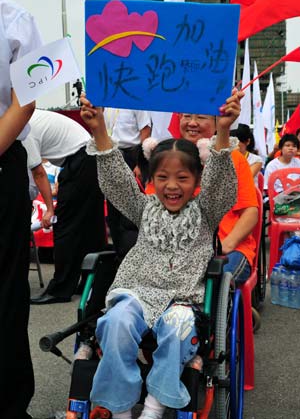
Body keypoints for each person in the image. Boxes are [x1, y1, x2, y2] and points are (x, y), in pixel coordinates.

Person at [79, 91, 241, 419]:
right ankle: (121, 408)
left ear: (197, 180)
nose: (172, 186)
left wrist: (222, 132)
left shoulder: (206, 210)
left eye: (182, 178)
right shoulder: (144, 207)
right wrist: (98, 130)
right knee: (115, 322)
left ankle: (154, 407)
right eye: (163, 177)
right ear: (151, 180)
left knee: (179, 324)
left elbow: (221, 185)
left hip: (183, 300)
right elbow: (117, 183)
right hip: (137, 294)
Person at [0, 0, 42, 419]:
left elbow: (25, 100)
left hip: (1, 156)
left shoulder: (16, 20)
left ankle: (9, 403)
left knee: (6, 289)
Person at [27, 109, 106, 304]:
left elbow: (38, 173)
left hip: (82, 158)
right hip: (84, 157)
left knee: (65, 227)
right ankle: (92, 280)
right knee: (89, 226)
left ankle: (60, 289)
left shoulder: (23, 127)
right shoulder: (27, 117)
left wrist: (49, 209)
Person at [177, 107, 258, 284]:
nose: (192, 122)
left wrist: (226, 244)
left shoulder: (235, 158)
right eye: (187, 115)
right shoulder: (170, 157)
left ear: (216, 124)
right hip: (182, 249)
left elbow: (250, 212)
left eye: (200, 116)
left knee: (213, 285)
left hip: (230, 248)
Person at [104, 108, 151, 262]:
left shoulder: (136, 102)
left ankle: (131, 257)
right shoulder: (109, 104)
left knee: (129, 215)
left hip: (132, 154)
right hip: (114, 153)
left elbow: (145, 130)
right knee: (113, 210)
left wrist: (140, 163)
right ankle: (118, 255)